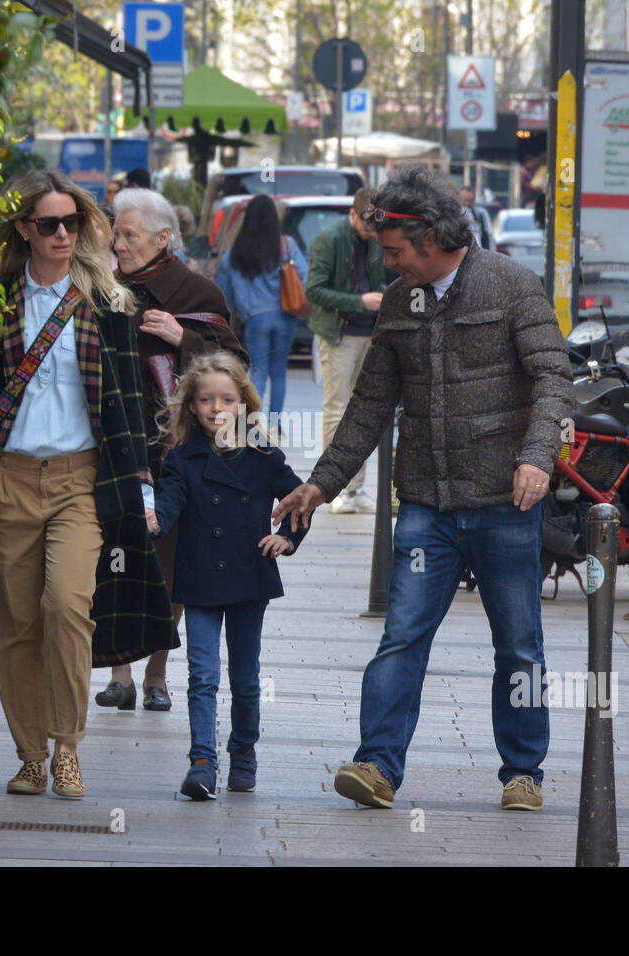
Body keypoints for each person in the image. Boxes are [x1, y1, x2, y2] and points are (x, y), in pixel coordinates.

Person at [273, 165, 574, 812]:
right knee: (403, 633)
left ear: (432, 238)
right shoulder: (403, 303)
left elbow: (553, 378)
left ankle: (524, 773)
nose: (388, 265)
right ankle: (376, 764)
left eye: (395, 252)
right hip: (426, 510)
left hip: (505, 504)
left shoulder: (513, 286)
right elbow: (371, 404)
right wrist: (320, 485)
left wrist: (536, 457)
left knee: (518, 642)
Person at [0, 169, 175, 798]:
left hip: (83, 479)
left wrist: (144, 488)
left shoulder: (106, 300)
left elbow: (129, 403)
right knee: (19, 622)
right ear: (23, 228)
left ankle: (68, 746)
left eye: (71, 223)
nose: (61, 233)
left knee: (68, 607)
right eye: (47, 223)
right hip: (8, 482)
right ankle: (30, 756)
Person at [102, 187, 249, 712]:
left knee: (173, 563)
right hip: (117, 444)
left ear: (164, 239)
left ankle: (158, 672)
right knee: (116, 555)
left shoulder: (196, 293)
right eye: (115, 233)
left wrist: (182, 338)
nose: (118, 243)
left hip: (179, 450)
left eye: (129, 235)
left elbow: (235, 365)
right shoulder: (101, 287)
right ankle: (119, 672)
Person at [146, 352, 308, 799]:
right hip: (199, 577)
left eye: (227, 399)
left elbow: (299, 501)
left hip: (248, 576)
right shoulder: (181, 459)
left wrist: (288, 539)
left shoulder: (263, 456)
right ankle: (202, 761)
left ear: (243, 403)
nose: (216, 408)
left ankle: (243, 753)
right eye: (205, 400)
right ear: (192, 407)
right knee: (201, 673)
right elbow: (169, 503)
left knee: (245, 676)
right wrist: (155, 520)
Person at [304, 187, 385, 514]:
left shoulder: (378, 237)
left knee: (363, 412)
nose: (371, 233)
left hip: (370, 332)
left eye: (375, 228)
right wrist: (359, 302)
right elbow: (314, 290)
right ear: (352, 215)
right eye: (367, 227)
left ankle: (357, 488)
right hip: (339, 332)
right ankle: (332, 489)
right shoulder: (330, 239)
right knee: (337, 409)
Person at [215, 194, 308, 417]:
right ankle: (275, 423)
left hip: (254, 319)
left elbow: (223, 293)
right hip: (285, 316)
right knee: (278, 371)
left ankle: (254, 421)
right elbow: (304, 276)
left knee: (258, 369)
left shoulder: (234, 253)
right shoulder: (287, 245)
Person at [459, 186, 494, 251]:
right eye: (465, 200)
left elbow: (488, 235)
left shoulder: (481, 215)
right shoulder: (454, 216)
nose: (467, 203)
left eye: (471, 200)